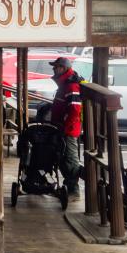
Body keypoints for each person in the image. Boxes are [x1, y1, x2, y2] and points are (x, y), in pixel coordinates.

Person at [49, 56, 83, 195]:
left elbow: (75, 110)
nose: (54, 69)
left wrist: (66, 126)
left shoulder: (71, 85)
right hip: (63, 128)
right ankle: (69, 185)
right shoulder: (65, 83)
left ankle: (73, 189)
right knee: (63, 157)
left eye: (56, 67)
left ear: (63, 68)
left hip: (68, 130)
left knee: (70, 159)